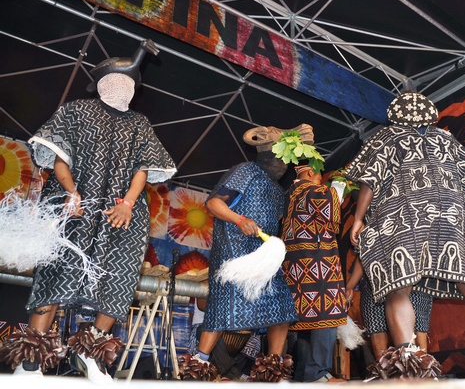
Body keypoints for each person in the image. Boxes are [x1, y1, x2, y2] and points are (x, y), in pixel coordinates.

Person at [0, 40, 176, 383]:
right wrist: (71, 192)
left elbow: (144, 168)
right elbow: (58, 157)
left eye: (131, 83)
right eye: (119, 80)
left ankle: (89, 354)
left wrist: (127, 203)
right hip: (74, 206)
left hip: (120, 212)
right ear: (103, 83)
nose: (126, 86)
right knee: (55, 273)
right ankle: (32, 360)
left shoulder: (139, 124)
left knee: (116, 279)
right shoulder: (77, 110)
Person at [344, 92, 465, 378]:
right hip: (453, 219)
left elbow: (369, 181)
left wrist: (359, 219)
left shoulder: (387, 137)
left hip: (404, 217)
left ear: (396, 115)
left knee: (398, 288)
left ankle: (410, 367)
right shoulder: (446, 139)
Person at [179, 127, 297, 382]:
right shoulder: (246, 171)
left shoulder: (278, 190)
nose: (284, 166)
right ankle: (199, 365)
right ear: (268, 155)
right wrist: (239, 219)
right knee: (222, 308)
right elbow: (213, 203)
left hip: (263, 260)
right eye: (281, 159)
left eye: (287, 162)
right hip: (234, 256)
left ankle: (273, 372)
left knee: (282, 306)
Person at [280, 164, 347, 383]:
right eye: (319, 175)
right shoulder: (311, 190)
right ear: (309, 173)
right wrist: (339, 183)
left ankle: (304, 375)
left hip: (295, 268)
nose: (321, 181)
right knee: (325, 315)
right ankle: (319, 374)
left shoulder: (289, 196)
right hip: (317, 266)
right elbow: (331, 208)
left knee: (306, 323)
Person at [345, 257, 433, 357]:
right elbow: (363, 254)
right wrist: (349, 286)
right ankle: (385, 370)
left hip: (412, 275)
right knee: (378, 337)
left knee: (418, 341)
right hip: (374, 279)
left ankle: (418, 370)